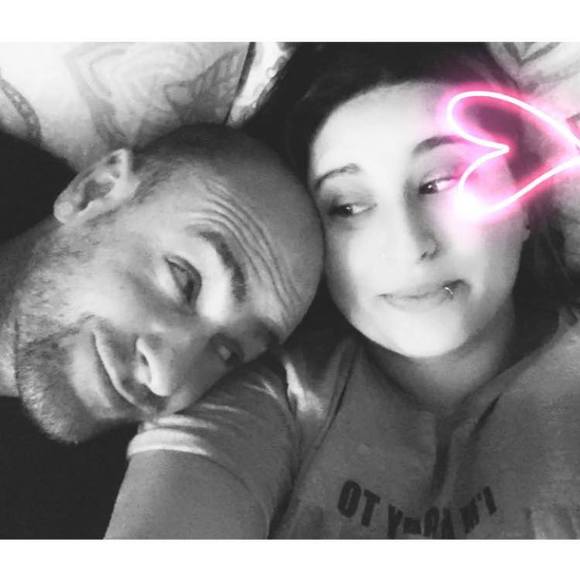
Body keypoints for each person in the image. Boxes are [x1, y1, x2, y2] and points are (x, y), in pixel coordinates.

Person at [106, 43, 580, 539]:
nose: (409, 246)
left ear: (527, 206)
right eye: (348, 207)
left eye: (441, 182)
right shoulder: (264, 400)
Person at [0, 123, 322, 537]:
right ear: (94, 192)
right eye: (185, 282)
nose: (166, 378)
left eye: (227, 352)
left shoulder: (92, 513)